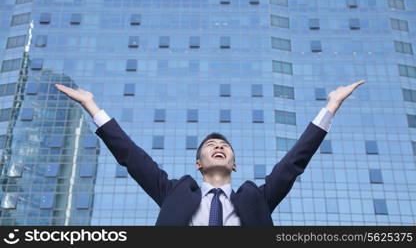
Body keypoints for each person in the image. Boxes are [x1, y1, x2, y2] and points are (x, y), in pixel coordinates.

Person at [55, 80, 365, 226]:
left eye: (224, 146)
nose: (218, 146)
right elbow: (131, 157)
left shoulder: (256, 197)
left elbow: (294, 162)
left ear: (234, 163)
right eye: (210, 146)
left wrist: (331, 106)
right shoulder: (174, 191)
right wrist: (91, 106)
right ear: (198, 163)